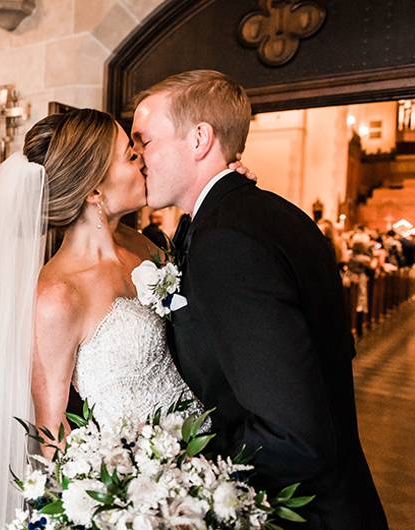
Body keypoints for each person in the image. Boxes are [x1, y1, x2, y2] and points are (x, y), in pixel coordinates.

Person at [0, 108, 250, 529]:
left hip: (206, 457)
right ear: (94, 191)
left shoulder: (145, 248)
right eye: (129, 154)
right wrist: (104, 509)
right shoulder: (56, 296)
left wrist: (227, 199)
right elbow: (52, 432)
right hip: (138, 489)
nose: (143, 157)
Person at [131, 69, 387, 529]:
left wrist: (175, 467)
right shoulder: (267, 214)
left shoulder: (228, 241)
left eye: (144, 140)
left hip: (301, 514)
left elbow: (292, 437)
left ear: (199, 139)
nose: (137, 157)